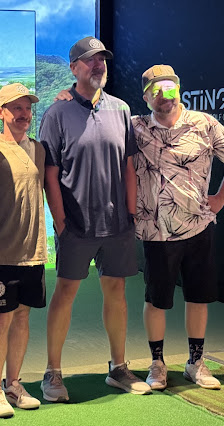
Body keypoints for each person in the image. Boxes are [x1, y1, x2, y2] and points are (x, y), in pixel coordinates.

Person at [38, 36, 151, 401]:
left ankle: (118, 368)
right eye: (90, 60)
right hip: (76, 224)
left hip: (117, 224)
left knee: (116, 292)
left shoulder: (121, 109)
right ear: (74, 68)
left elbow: (129, 165)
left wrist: (131, 213)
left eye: (102, 59)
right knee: (66, 293)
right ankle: (52, 373)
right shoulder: (56, 113)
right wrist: (60, 222)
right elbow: (50, 173)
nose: (98, 64)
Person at [130, 64, 224, 390]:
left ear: (179, 89)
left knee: (198, 296)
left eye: (169, 87)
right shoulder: (135, 127)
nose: (163, 95)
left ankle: (195, 362)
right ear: (145, 97)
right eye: (155, 90)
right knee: (156, 299)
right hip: (156, 230)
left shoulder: (203, 123)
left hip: (198, 226)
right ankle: (157, 364)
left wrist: (220, 198)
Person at [0, 83, 47, 417]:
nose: (24, 114)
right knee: (0, 320)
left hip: (33, 253)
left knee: (22, 317)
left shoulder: (39, 149)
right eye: (16, 108)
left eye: (27, 108)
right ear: (0, 111)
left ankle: (14, 384)